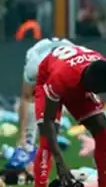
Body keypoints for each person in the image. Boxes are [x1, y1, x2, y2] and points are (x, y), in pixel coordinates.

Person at [32, 43, 106, 187]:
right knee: (47, 140)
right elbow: (49, 121)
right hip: (49, 78)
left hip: (77, 78)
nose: (95, 95)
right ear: (88, 81)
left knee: (103, 129)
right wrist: (60, 162)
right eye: (94, 90)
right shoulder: (61, 77)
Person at [9, 38, 76, 172]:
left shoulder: (75, 66)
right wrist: (22, 135)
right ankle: (28, 142)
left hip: (68, 55)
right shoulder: (34, 65)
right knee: (33, 100)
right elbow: (26, 97)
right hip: (42, 52)